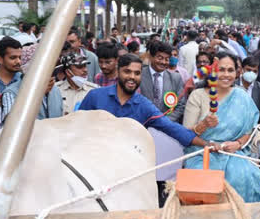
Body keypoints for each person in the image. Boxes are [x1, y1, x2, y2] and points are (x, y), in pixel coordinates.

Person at [77, 54, 212, 150]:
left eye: (137, 73)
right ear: (118, 73)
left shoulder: (144, 105)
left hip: (128, 165)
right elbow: (77, 126)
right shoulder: (95, 96)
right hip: (94, 160)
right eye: (127, 72)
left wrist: (207, 144)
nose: (132, 77)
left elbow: (173, 129)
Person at [182, 51, 260, 202]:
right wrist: (203, 125)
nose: (226, 75)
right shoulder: (198, 95)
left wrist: (238, 144)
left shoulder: (242, 96)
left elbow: (250, 130)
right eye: (221, 69)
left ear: (237, 73)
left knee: (243, 174)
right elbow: (186, 134)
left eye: (230, 70)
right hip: (202, 152)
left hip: (232, 152)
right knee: (202, 179)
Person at [139, 41, 186, 122]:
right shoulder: (139, 75)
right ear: (150, 57)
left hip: (166, 127)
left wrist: (164, 122)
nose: (163, 62)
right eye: (160, 58)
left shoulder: (176, 78)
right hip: (142, 125)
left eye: (167, 59)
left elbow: (180, 105)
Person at [55, 50, 97, 116]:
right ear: (68, 72)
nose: (85, 70)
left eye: (85, 66)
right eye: (80, 67)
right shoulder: (56, 90)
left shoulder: (94, 90)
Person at [0, 37, 22, 103]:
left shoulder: (24, 80)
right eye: (13, 58)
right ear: (0, 59)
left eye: (20, 57)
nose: (18, 61)